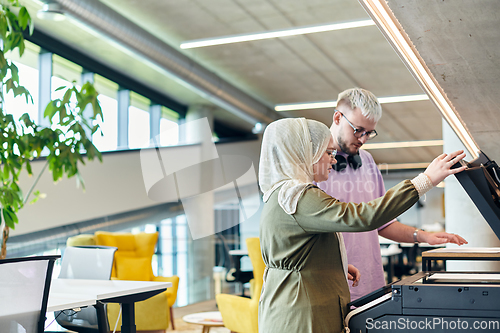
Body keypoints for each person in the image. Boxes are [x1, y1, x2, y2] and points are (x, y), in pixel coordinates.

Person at [257, 117, 466, 333]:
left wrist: (330, 263)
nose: (334, 160)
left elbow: (294, 250)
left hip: (297, 304)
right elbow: (363, 217)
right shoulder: (299, 197)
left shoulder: (281, 194)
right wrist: (425, 181)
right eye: (328, 153)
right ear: (304, 154)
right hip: (300, 314)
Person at [317, 87, 468, 301]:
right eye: (358, 130)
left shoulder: (367, 161)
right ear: (337, 117)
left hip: (371, 282)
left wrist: (423, 236)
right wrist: (425, 180)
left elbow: (383, 222)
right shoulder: (315, 165)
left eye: (369, 133)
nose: (363, 139)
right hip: (334, 285)